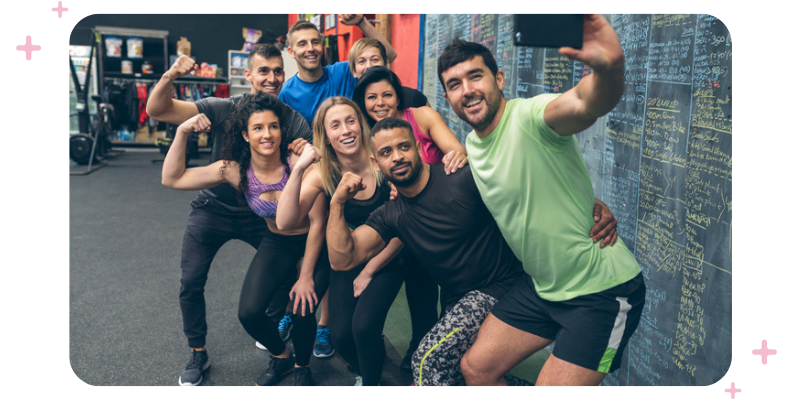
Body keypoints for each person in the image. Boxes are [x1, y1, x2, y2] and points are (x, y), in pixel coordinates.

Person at [325, 117, 620, 386]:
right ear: (377, 164)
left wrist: (589, 203)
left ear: (417, 148)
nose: (397, 157)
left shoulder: (461, 176)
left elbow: (529, 186)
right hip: (459, 300)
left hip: (503, 287)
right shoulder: (392, 214)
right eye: (387, 153)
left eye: (403, 147)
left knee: (428, 361)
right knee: (468, 375)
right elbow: (343, 259)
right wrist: (336, 204)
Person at [436, 15, 645, 386]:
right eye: (454, 84)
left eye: (475, 76)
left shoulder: (531, 117)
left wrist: (610, 69)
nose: (466, 90)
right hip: (542, 287)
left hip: (603, 294)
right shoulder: (471, 145)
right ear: (447, 96)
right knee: (476, 370)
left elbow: (584, 103)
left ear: (498, 80)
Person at [145, 43, 312, 386]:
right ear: (247, 74)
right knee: (191, 280)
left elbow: (315, 163)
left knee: (282, 275)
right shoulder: (223, 109)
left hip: (260, 211)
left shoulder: (291, 119)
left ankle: (271, 331)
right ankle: (197, 352)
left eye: (278, 70)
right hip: (215, 206)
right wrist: (172, 76)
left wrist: (305, 149)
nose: (271, 77)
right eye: (263, 70)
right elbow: (158, 109)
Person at [276, 97, 435, 385]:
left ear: (361, 125)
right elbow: (285, 221)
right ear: (325, 136)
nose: (346, 130)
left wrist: (370, 270)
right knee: (341, 335)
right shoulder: (323, 172)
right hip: (346, 256)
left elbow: (405, 226)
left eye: (350, 121)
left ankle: (371, 383)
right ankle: (367, 370)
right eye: (335, 125)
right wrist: (298, 169)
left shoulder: (383, 159)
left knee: (363, 327)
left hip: (390, 253)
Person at [279, 14, 397, 127]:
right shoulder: (286, 94)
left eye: (315, 42)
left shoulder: (344, 71)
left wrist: (362, 22)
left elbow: (389, 56)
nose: (310, 48)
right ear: (291, 52)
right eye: (302, 44)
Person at [354, 66, 467, 167]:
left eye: (387, 95)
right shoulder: (363, 133)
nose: (380, 103)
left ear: (397, 99)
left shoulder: (423, 117)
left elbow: (458, 152)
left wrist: (456, 157)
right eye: (372, 97)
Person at [348, 38, 429, 108]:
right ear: (354, 71)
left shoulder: (413, 97)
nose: (369, 66)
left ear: (386, 65)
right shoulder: (354, 109)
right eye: (362, 61)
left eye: (375, 59)